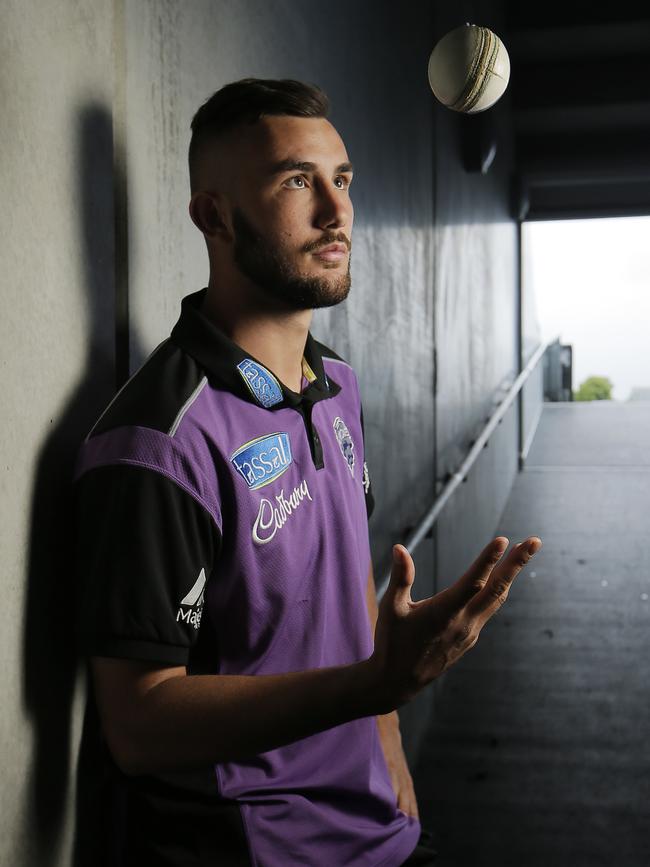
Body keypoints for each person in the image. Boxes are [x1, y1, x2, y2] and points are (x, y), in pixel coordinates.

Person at [72, 78, 541, 866]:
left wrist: (391, 754)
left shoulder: (336, 386)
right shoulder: (157, 440)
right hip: (258, 845)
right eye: (297, 180)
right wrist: (377, 687)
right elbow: (139, 723)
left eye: (342, 179)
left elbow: (351, 587)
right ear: (214, 216)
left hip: (379, 828)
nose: (336, 210)